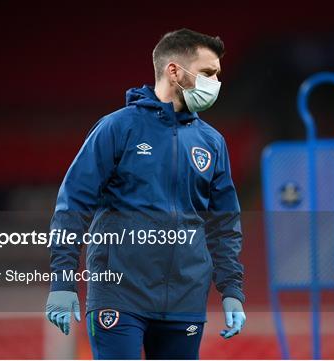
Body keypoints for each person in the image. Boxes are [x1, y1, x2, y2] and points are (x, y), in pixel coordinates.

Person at [45, 28, 246, 359]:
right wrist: (63, 280)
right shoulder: (117, 127)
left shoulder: (212, 143)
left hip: (186, 299)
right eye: (208, 72)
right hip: (119, 294)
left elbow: (224, 224)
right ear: (174, 71)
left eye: (217, 75)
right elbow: (73, 204)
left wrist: (232, 289)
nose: (215, 83)